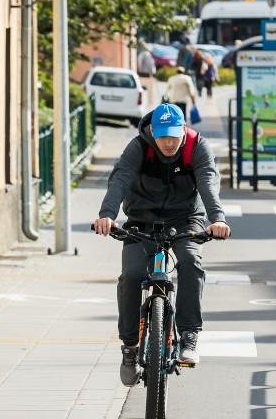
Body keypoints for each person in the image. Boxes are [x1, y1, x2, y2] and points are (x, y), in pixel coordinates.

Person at [93, 103, 231, 385]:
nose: (169, 142)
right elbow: (120, 179)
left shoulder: (197, 147)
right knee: (131, 275)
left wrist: (217, 219)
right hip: (141, 220)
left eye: (174, 136)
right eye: (163, 136)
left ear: (183, 130)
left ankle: (189, 335)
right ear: (152, 131)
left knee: (191, 261)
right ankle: (130, 348)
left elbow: (208, 181)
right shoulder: (138, 147)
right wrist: (107, 215)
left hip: (185, 219)